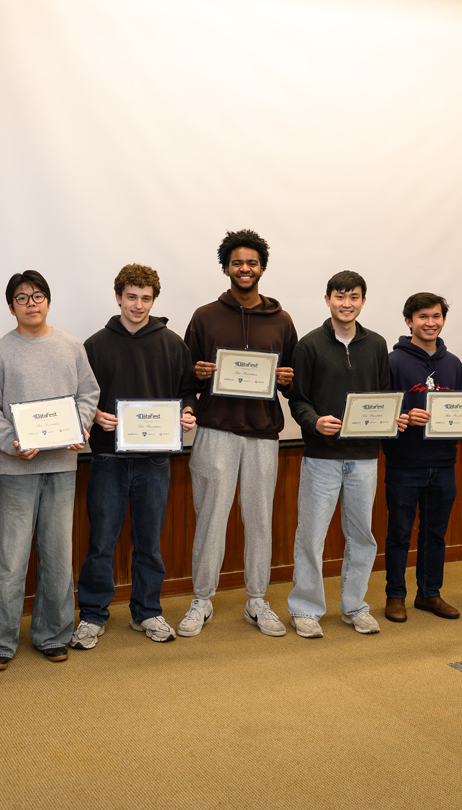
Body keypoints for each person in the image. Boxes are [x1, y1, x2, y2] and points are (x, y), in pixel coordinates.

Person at [0, 270, 99, 670]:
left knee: (58, 556)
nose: (31, 303)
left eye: (38, 295)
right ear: (11, 306)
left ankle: (53, 634)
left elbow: (89, 394)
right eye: (22, 297)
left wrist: (80, 427)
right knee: (11, 560)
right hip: (17, 470)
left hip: (63, 466)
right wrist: (12, 440)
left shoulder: (71, 347)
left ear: (49, 300)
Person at [180, 229, 299, 638]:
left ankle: (257, 599)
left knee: (259, 519)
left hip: (263, 435)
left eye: (251, 262)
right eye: (237, 263)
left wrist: (287, 379)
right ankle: (201, 599)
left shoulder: (282, 320)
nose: (244, 269)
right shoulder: (204, 316)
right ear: (226, 268)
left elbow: (293, 384)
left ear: (261, 267)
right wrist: (196, 374)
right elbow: (183, 381)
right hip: (215, 431)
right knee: (211, 518)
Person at [73, 264, 197, 650]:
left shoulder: (173, 343)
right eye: (131, 297)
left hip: (155, 462)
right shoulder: (94, 345)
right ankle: (92, 616)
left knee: (149, 542)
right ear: (118, 297)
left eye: (146, 298)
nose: (138, 305)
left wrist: (188, 413)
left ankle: (147, 611)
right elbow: (82, 397)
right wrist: (93, 414)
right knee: (101, 543)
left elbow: (188, 392)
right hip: (108, 459)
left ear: (153, 300)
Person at [286, 271, 400, 638]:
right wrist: (314, 421)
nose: (346, 303)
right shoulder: (309, 346)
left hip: (365, 457)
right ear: (327, 299)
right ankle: (305, 609)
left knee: (362, 535)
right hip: (322, 456)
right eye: (340, 296)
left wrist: (389, 418)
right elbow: (297, 399)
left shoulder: (377, 344)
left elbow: (382, 395)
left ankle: (355, 607)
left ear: (363, 301)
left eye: (354, 297)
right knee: (312, 535)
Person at [382, 292, 462, 623]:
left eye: (436, 316)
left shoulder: (453, 363)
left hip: (443, 464)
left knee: (435, 534)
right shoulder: (393, 362)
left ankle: (429, 593)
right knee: (399, 534)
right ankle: (395, 596)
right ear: (409, 321)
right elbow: (380, 411)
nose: (430, 323)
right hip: (404, 464)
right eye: (423, 317)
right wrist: (405, 415)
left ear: (443, 320)